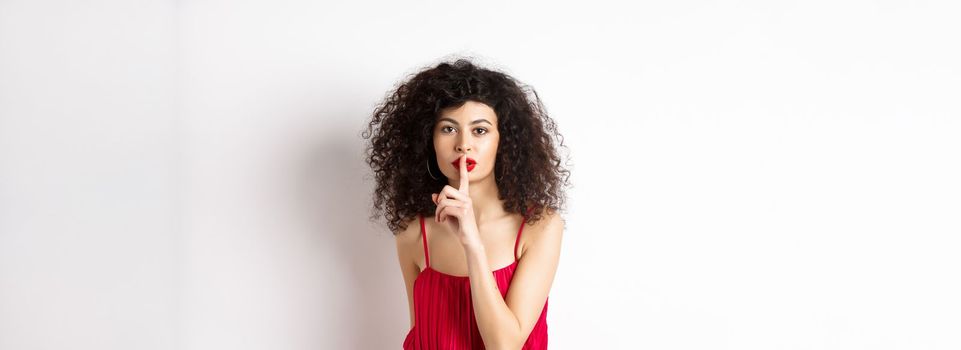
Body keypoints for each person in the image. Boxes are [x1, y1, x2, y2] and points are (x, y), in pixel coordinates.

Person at [363, 57, 570, 349]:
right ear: (428, 140)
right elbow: (420, 337)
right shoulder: (413, 233)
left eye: (480, 130)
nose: (463, 144)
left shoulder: (540, 227)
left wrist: (472, 243)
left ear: (504, 140)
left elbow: (505, 345)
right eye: (448, 129)